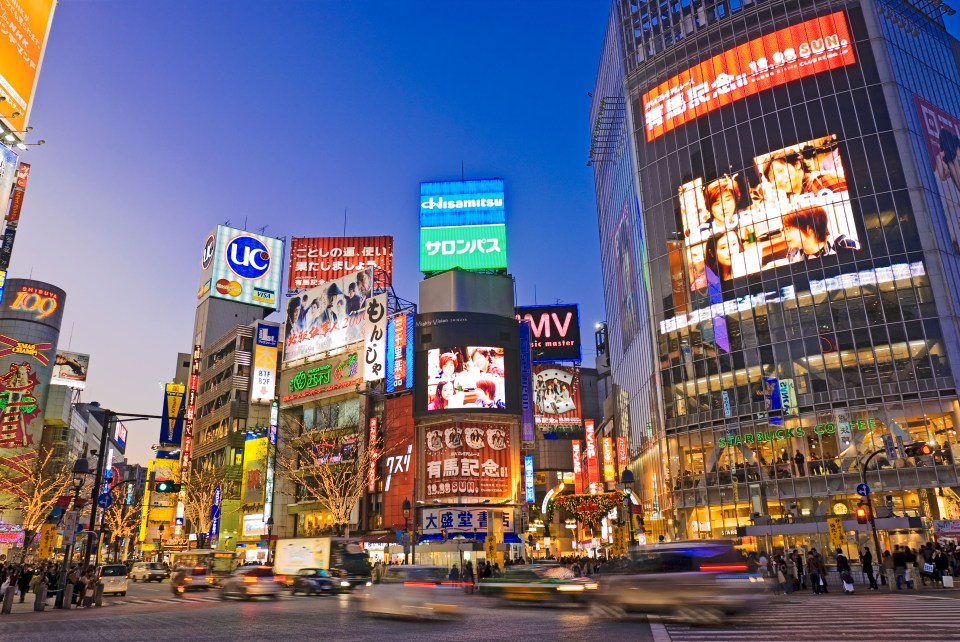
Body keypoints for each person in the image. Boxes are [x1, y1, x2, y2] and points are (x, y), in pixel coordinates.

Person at [782, 205, 856, 261]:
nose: (784, 236)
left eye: (788, 229)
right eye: (783, 230)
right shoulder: (793, 253)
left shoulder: (843, 244)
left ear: (810, 230)